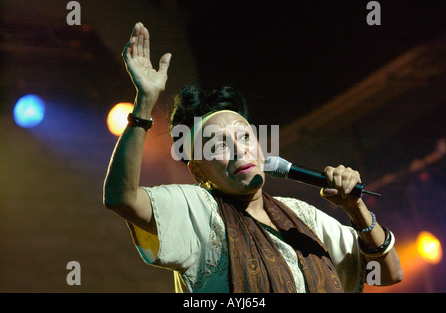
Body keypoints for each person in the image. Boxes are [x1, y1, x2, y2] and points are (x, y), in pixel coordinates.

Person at [103, 22, 403, 293]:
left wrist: (356, 207)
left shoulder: (301, 216)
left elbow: (387, 274)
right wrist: (144, 104)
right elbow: (121, 198)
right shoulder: (197, 210)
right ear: (197, 172)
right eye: (219, 144)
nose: (239, 149)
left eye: (245, 136)